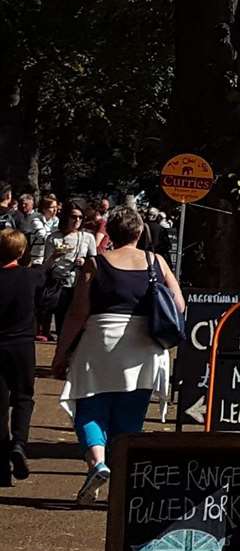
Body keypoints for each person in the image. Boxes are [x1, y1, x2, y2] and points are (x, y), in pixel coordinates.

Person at [50, 207, 184, 503]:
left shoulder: (95, 264)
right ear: (139, 233)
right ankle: (122, 481)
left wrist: (61, 354)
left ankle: (97, 462)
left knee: (90, 406)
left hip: (100, 340)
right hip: (143, 347)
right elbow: (179, 304)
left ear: (109, 232)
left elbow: (77, 313)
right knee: (130, 415)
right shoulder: (156, 261)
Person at [0, 229, 42, 485]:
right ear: (22, 251)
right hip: (23, 345)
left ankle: (1, 463)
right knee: (24, 397)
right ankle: (19, 442)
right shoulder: (30, 277)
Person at [42, 205, 94, 341]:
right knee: (61, 321)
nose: (77, 220)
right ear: (66, 217)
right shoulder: (54, 237)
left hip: (79, 284)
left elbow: (94, 263)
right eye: (73, 216)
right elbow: (45, 266)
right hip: (59, 285)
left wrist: (84, 261)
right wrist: (54, 255)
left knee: (78, 322)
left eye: (80, 217)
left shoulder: (87, 237)